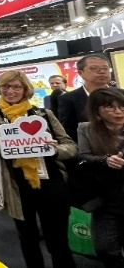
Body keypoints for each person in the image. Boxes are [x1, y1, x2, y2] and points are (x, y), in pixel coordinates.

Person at [0, 70, 77, 268]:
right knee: (28, 238)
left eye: (16, 87)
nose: (10, 91)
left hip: (51, 181)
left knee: (58, 240)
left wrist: (53, 149)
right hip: (16, 184)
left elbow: (70, 146)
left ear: (25, 89)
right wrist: (11, 141)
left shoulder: (43, 114)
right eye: (6, 86)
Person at [78, 88, 124, 267]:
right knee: (105, 249)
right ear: (97, 110)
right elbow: (83, 156)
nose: (118, 111)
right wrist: (105, 160)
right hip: (105, 198)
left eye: (122, 106)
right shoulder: (86, 129)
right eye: (110, 107)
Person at [59, 54, 115, 142]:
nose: (102, 71)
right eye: (94, 68)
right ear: (80, 73)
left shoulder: (121, 94)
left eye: (105, 68)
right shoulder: (68, 99)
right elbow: (69, 131)